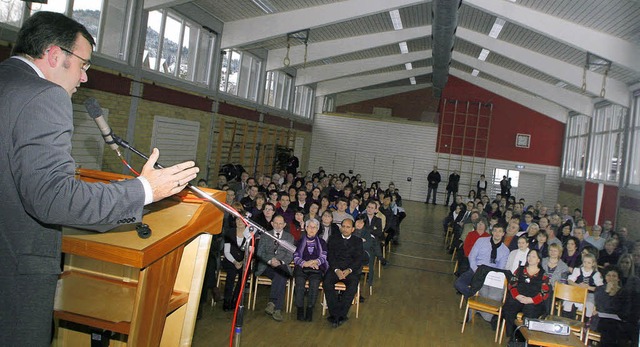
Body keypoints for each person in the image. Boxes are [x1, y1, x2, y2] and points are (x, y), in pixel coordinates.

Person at [0, 12, 200, 346]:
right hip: (13, 279)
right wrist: (145, 189)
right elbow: (52, 199)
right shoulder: (45, 97)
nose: (85, 77)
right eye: (84, 64)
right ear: (54, 54)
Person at [502, 249, 551, 338]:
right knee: (510, 307)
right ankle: (512, 336)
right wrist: (517, 296)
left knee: (530, 311)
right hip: (519, 297)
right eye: (529, 256)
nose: (530, 258)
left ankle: (523, 338)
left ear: (538, 260)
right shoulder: (520, 270)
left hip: (533, 301)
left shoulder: (543, 274)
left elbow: (545, 292)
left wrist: (531, 300)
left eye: (533, 256)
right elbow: (512, 284)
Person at [324, 219, 364, 328]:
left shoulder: (358, 241)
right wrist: (337, 270)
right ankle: (334, 314)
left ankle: (341, 314)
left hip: (350, 271)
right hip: (335, 270)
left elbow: (359, 259)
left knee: (353, 285)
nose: (345, 229)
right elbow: (330, 256)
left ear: (353, 229)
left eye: (348, 227)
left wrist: (348, 270)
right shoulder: (333, 239)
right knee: (327, 282)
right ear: (341, 227)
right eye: (343, 226)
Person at [255, 215, 295, 322]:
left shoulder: (289, 237)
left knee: (281, 273)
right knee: (281, 275)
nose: (278, 225)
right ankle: (277, 309)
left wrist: (280, 262)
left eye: (280, 223)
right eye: (276, 223)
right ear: (272, 223)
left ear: (284, 225)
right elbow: (260, 253)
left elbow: (290, 255)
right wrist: (270, 260)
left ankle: (273, 304)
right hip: (266, 266)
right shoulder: (265, 235)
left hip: (282, 265)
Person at [454, 224, 510, 297]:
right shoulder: (481, 241)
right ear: (492, 232)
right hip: (476, 269)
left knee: (488, 293)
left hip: (490, 273)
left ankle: (474, 298)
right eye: (495, 231)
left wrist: (489, 275)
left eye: (499, 231)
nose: (497, 233)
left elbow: (500, 267)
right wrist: (476, 270)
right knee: (458, 284)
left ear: (503, 234)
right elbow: (472, 256)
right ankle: (473, 296)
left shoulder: (505, 250)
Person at [292, 219, 328, 322]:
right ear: (306, 228)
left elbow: (324, 256)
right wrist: (305, 263)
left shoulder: (322, 242)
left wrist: (314, 262)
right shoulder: (300, 241)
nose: (312, 229)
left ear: (317, 229)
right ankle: (299, 308)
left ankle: (310, 309)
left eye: (314, 227)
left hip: (316, 268)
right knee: (299, 282)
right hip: (302, 267)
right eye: (309, 227)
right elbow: (296, 256)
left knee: (314, 283)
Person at [221, 209, 249, 311]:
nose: (239, 222)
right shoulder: (230, 232)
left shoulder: (249, 235)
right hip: (230, 260)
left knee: (243, 276)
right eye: (237, 219)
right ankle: (227, 301)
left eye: (242, 220)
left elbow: (250, 252)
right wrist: (235, 262)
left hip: (244, 261)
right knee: (231, 274)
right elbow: (227, 251)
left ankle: (236, 301)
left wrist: (242, 262)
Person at [562, 252, 603, 318]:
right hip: (577, 292)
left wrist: (588, 287)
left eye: (589, 263)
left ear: (593, 264)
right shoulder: (577, 270)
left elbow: (600, 288)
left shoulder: (596, 274)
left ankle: (586, 321)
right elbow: (570, 281)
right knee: (568, 302)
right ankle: (568, 318)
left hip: (589, 294)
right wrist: (578, 285)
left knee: (589, 305)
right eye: (585, 262)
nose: (586, 264)